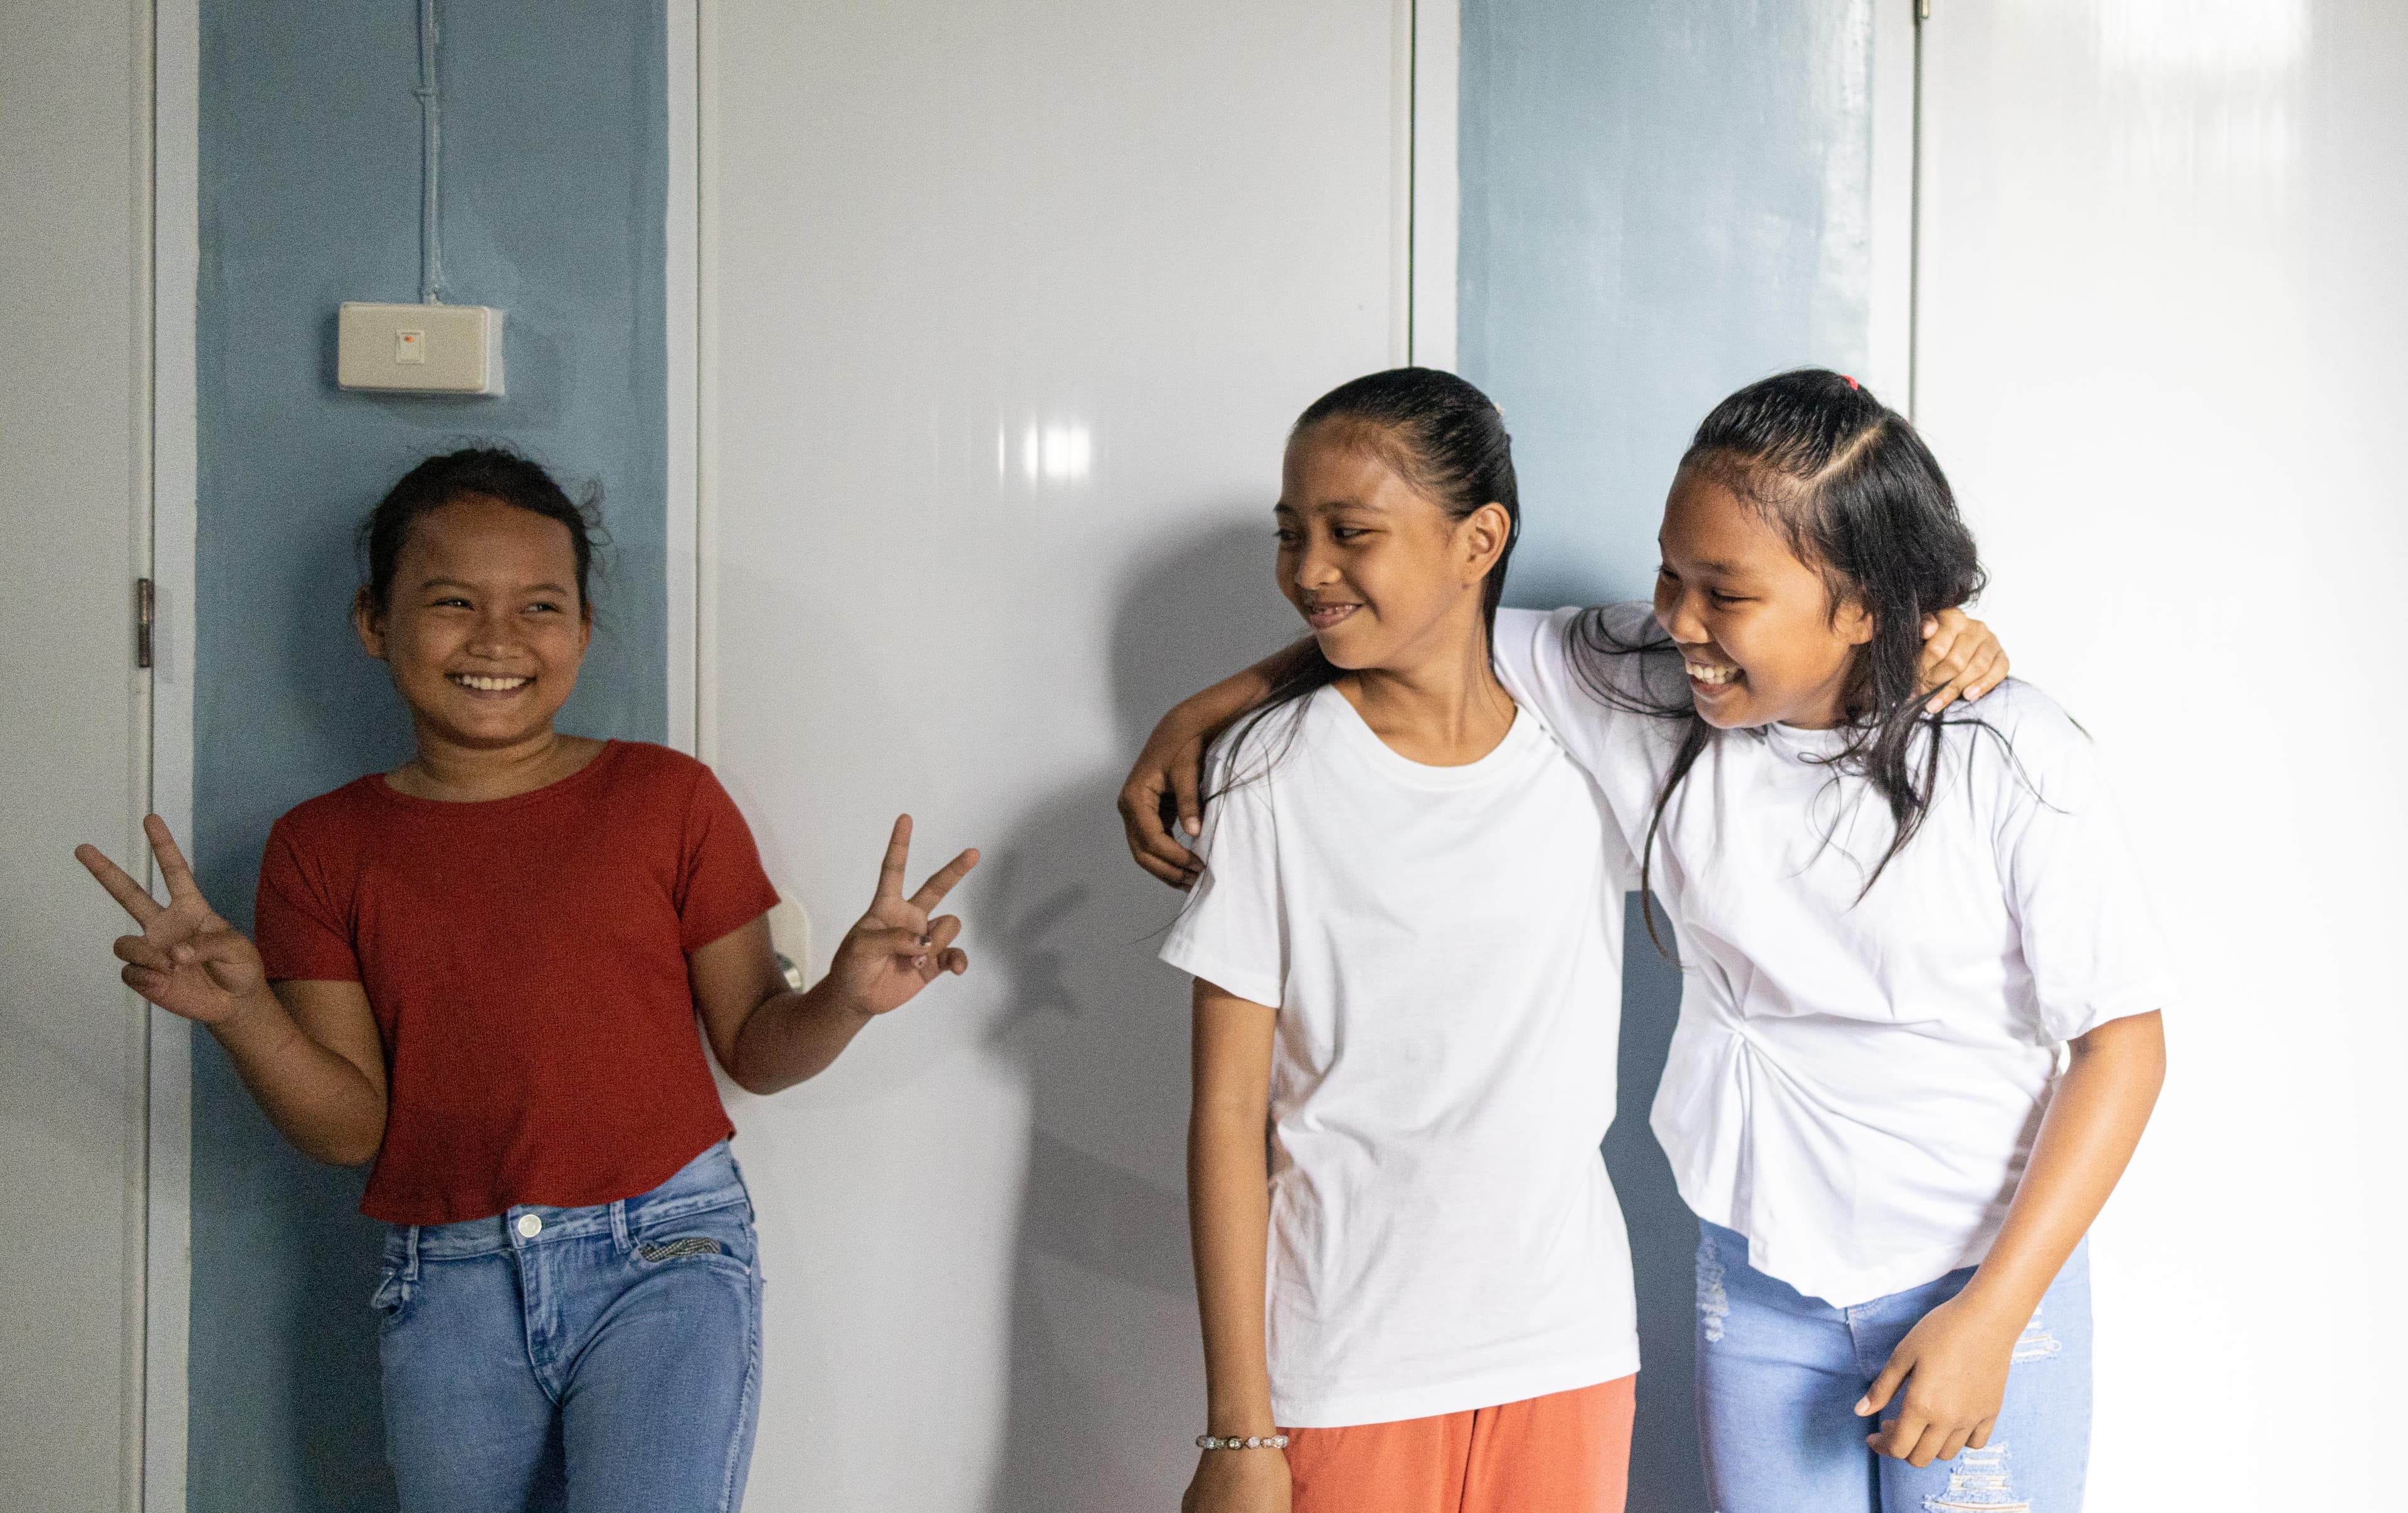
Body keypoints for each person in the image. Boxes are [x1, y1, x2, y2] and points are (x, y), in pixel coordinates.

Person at [1127, 370, 2163, 1513]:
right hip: (1757, 1285)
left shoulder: (2011, 752)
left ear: (1865, 603)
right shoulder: (1643, 688)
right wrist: (1204, 710)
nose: (1677, 619)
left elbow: (2122, 1048)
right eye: (1670, 574)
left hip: (1981, 1275)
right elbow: (1422, 622)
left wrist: (1994, 1316)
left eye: (1726, 592)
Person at [76, 447, 980, 1513]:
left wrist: (846, 999)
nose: (497, 639)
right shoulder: (321, 847)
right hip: (448, 1278)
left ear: (583, 630)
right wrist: (242, 1014)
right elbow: (348, 1129)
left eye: (540, 607)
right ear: (374, 622)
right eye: (452, 602)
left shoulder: (667, 799)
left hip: (668, 1251)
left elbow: (756, 1049)